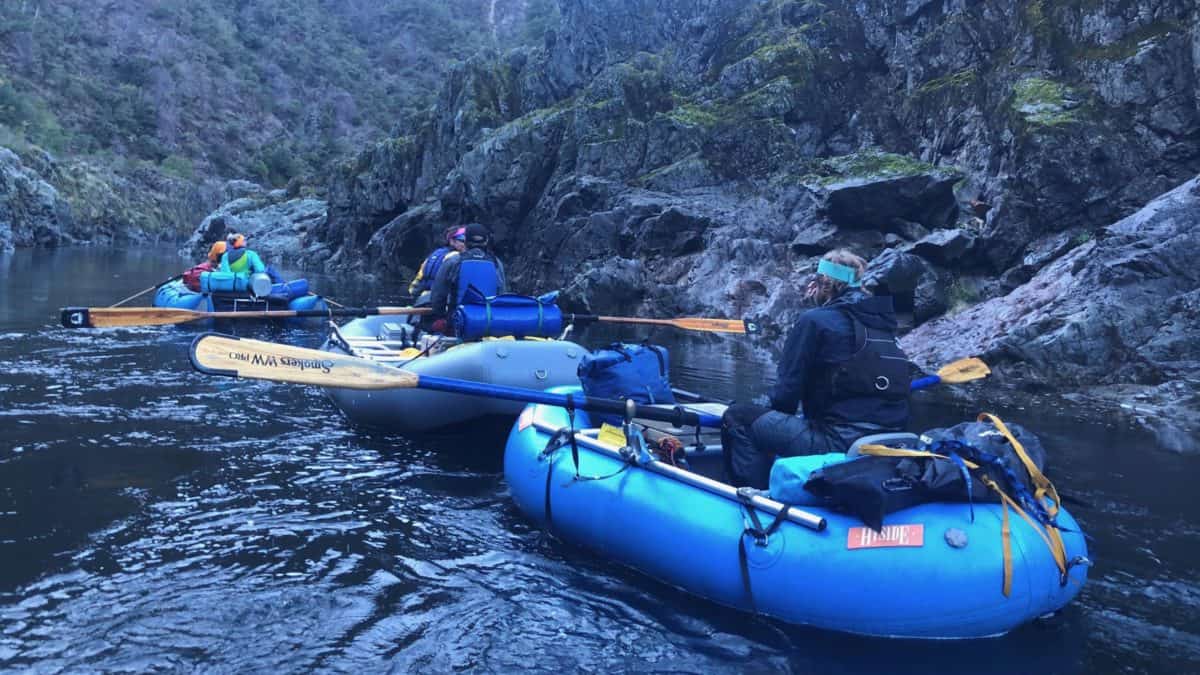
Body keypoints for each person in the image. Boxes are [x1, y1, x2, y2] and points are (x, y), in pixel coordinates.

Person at [721, 249, 911, 489]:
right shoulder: (883, 326)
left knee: (738, 417)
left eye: (816, 280)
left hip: (838, 442)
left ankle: (755, 500)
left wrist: (762, 409)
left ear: (825, 284)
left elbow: (784, 400)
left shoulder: (815, 321)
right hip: (892, 440)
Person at [427, 222, 506, 333]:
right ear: (486, 241)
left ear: (466, 241)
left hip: (458, 323)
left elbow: (438, 295)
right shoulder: (497, 264)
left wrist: (440, 316)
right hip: (488, 322)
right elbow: (502, 294)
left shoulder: (453, 261)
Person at [409, 227, 466, 296]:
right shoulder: (456, 256)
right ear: (451, 241)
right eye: (462, 241)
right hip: (437, 297)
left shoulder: (435, 253)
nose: (465, 244)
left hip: (422, 295)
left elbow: (417, 280)